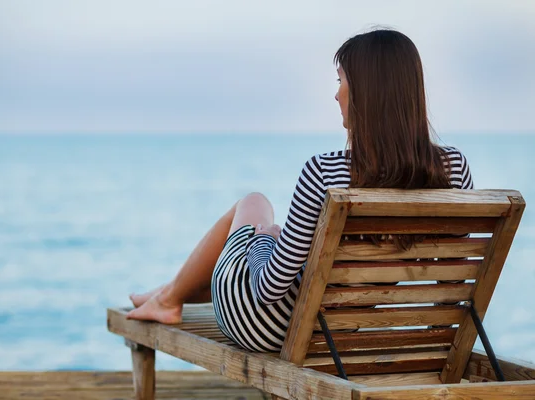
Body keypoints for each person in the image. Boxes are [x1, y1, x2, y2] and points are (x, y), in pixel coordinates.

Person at [126, 28, 474, 352]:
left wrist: (265, 239)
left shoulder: (324, 171)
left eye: (341, 81)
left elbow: (267, 290)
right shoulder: (454, 169)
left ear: (365, 94)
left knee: (254, 203)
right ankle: (168, 294)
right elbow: (452, 281)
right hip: (339, 330)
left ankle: (169, 298)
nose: (335, 93)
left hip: (261, 324)